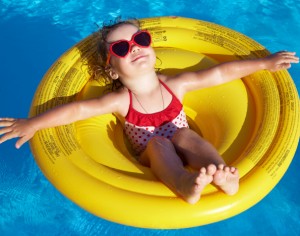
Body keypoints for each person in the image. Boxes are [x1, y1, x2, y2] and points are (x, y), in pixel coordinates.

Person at [0, 19, 298, 204]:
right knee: (160, 143)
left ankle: (220, 172)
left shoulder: (174, 85)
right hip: (149, 154)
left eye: (140, 40)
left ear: (151, 47)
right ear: (111, 70)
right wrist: (32, 124)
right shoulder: (120, 102)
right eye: (120, 48)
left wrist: (265, 63)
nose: (134, 47)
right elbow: (77, 110)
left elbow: (219, 75)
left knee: (184, 134)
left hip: (183, 140)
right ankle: (183, 183)